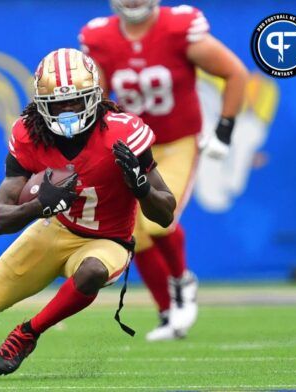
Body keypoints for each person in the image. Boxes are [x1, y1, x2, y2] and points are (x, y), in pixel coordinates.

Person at [0, 48, 176, 380]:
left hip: (108, 239)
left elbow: (166, 214)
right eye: (58, 103)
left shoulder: (124, 133)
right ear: (43, 105)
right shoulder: (28, 134)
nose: (68, 109)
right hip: (55, 229)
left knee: (92, 272)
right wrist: (41, 204)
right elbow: (0, 220)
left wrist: (141, 187)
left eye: (76, 100)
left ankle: (27, 334)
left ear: (95, 98)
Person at [79, 0, 248, 340]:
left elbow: (235, 73)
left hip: (176, 143)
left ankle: (182, 281)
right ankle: (168, 313)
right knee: (133, 235)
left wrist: (224, 130)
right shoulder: (100, 36)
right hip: (133, 145)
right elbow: (93, 99)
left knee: (158, 218)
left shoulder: (178, 27)